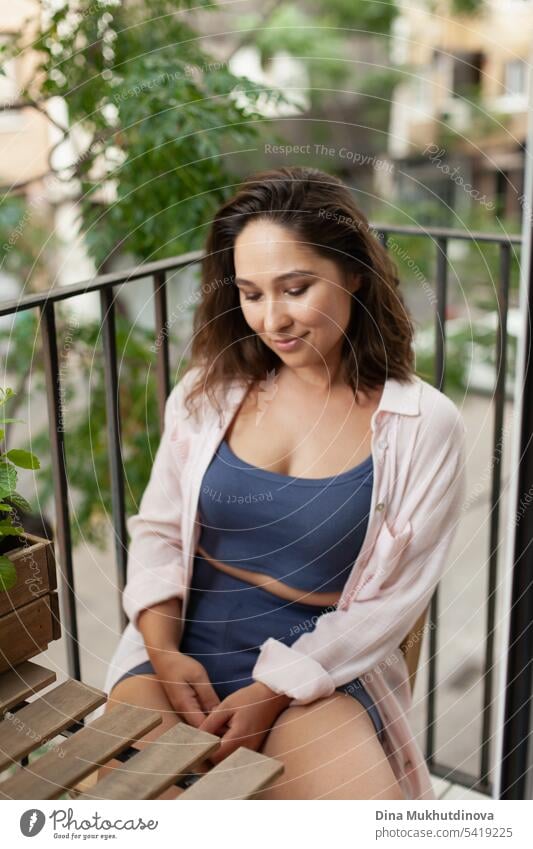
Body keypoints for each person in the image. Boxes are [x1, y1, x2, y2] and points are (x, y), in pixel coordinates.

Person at [98, 165, 466, 800]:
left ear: (354, 273)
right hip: (179, 651)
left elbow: (390, 605)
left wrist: (274, 690)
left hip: (320, 671)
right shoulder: (209, 392)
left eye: (295, 288)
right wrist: (162, 652)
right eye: (251, 292)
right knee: (130, 807)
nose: (272, 319)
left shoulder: (423, 425)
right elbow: (157, 531)